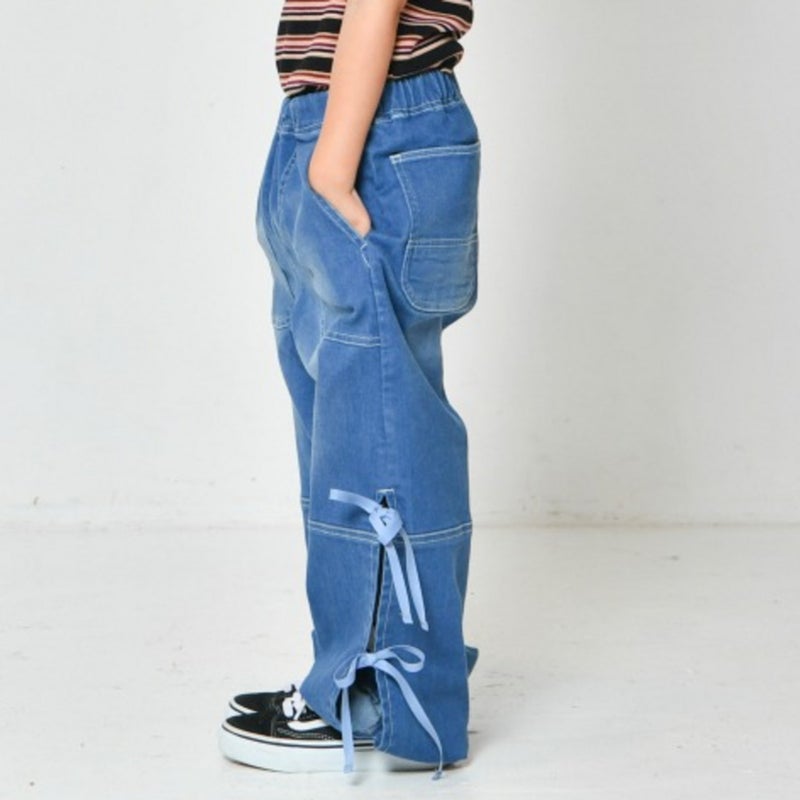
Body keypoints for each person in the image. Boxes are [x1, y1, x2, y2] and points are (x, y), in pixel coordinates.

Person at [218, 0, 481, 778]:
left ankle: (384, 700)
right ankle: (349, 676)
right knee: (350, 425)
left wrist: (332, 162)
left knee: (379, 429)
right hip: (342, 118)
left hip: (373, 124)